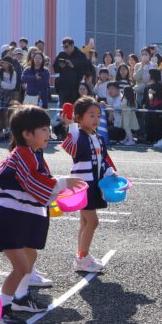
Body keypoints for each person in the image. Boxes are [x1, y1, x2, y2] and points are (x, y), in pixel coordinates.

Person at [0, 105, 86, 324]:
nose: (48, 133)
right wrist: (63, 183)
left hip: (22, 213)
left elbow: (40, 183)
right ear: (27, 134)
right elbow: (34, 182)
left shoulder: (32, 154)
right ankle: (2, 309)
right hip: (10, 215)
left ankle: (21, 298)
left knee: (30, 255)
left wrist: (58, 191)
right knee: (21, 267)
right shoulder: (22, 153)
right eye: (43, 129)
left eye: (48, 128)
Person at [60, 96, 118, 273]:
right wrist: (71, 125)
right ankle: (82, 258)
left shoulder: (98, 138)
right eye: (91, 115)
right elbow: (71, 147)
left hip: (94, 184)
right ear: (79, 117)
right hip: (81, 186)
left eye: (98, 115)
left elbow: (103, 161)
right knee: (93, 221)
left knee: (85, 221)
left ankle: (82, 256)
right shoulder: (78, 134)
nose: (96, 119)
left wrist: (110, 173)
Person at [54, 37, 93, 106]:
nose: (65, 49)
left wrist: (73, 65)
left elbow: (86, 68)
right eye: (63, 47)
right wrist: (60, 66)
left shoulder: (80, 55)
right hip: (63, 87)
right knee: (63, 107)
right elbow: (55, 68)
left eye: (66, 46)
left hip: (76, 87)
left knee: (75, 106)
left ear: (72, 45)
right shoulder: (61, 54)